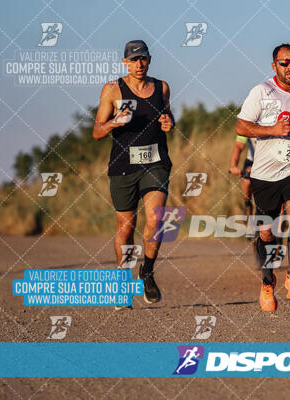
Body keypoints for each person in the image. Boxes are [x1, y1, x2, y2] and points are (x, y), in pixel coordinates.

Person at [236, 43, 290, 311]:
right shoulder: (261, 92)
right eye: (284, 63)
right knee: (266, 233)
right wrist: (272, 129)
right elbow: (242, 126)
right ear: (275, 66)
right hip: (265, 172)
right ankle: (267, 282)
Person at [92, 40, 174, 308]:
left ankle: (147, 272)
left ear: (149, 60)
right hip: (123, 166)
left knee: (156, 219)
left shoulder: (161, 87)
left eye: (144, 59)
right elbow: (97, 131)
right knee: (125, 229)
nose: (140, 64)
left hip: (155, 162)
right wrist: (116, 121)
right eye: (134, 59)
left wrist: (168, 121)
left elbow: (167, 116)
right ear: (125, 62)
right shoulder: (112, 89)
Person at [229, 135, 257, 225]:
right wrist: (233, 165)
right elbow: (239, 146)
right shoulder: (248, 122)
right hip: (252, 160)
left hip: (271, 161)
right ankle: (247, 204)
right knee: (247, 179)